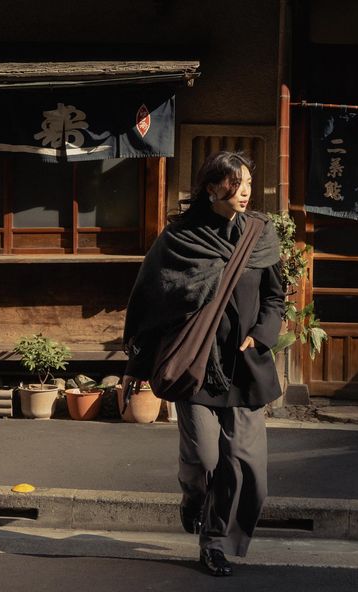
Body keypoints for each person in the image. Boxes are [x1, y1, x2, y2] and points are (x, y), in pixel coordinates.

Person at [122, 151, 284, 577]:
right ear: (212, 188)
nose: (246, 191)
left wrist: (262, 334)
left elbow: (274, 296)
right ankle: (193, 496)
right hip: (195, 364)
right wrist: (136, 369)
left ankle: (214, 542)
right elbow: (148, 302)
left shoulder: (261, 235)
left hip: (244, 366)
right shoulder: (179, 237)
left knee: (246, 465)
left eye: (249, 182)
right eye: (236, 183)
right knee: (204, 459)